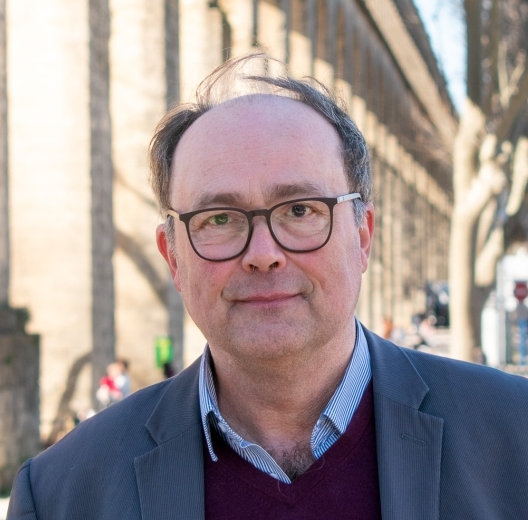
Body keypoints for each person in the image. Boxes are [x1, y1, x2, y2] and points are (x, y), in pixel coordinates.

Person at [8, 54, 528, 519]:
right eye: (218, 218)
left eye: (300, 210)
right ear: (173, 257)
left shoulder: (515, 436)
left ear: (362, 236)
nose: (263, 254)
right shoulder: (60, 495)